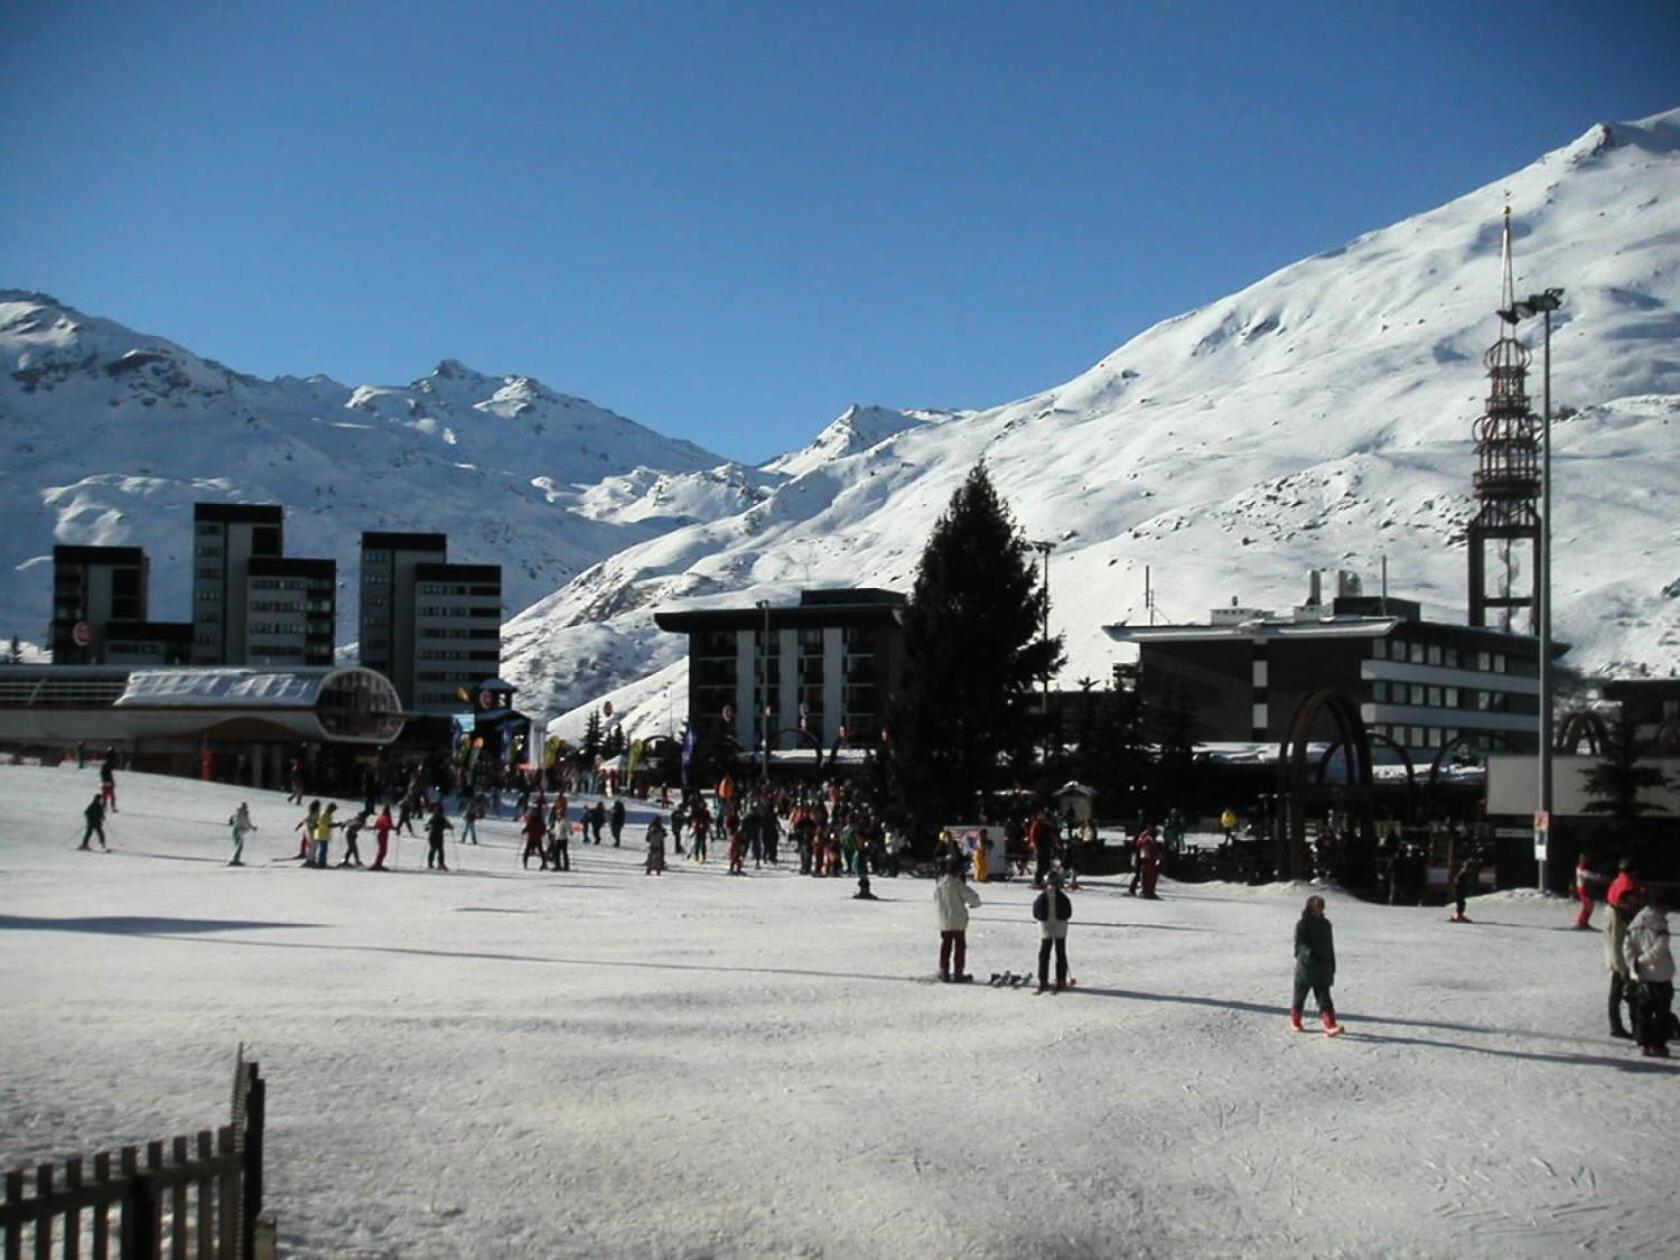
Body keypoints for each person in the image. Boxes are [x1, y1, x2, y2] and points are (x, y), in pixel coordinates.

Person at [1623, 893, 1674, 1058]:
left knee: (1642, 1012)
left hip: (1642, 976)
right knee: (1661, 1012)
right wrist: (1645, 960)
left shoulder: (1635, 923)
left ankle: (1643, 1042)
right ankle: (1658, 1043)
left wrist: (1634, 963)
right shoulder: (1659, 925)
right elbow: (1661, 948)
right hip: (1660, 975)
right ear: (1660, 906)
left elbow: (1627, 946)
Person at [1291, 894, 1343, 1035]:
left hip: (1323, 967)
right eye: (1317, 907)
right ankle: (1295, 1020)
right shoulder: (1302, 925)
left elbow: (1329, 947)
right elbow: (1299, 945)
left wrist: (1332, 965)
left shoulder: (1326, 925)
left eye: (1321, 908)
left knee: (1324, 998)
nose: (1320, 910)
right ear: (1310, 908)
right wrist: (1309, 954)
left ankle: (1330, 1024)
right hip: (1306, 968)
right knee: (1300, 996)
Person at [934, 857, 982, 983]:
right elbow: (974, 899)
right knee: (959, 947)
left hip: (944, 919)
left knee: (945, 946)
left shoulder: (940, 884)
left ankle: (944, 971)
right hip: (959, 920)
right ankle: (958, 972)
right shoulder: (958, 884)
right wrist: (974, 904)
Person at [1603, 874, 1638, 1040]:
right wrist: (1622, 967)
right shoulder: (1617, 916)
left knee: (1618, 995)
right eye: (1631, 901)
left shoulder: (1614, 912)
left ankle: (1620, 1026)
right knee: (1620, 995)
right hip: (1619, 963)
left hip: (1617, 961)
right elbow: (1616, 943)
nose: (1633, 905)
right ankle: (1618, 1026)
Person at [1032, 872, 1074, 994]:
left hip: (1045, 927)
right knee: (1060, 953)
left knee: (1044, 953)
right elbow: (1068, 912)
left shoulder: (1042, 896)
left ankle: (1043, 980)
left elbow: (1036, 912)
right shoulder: (1062, 897)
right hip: (1060, 926)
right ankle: (1061, 979)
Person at [1573, 853, 1601, 929]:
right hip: (1583, 888)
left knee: (1590, 905)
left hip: (1586, 888)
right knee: (1587, 906)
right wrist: (1598, 877)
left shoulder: (1585, 866)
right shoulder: (1580, 867)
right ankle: (1580, 922)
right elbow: (1587, 875)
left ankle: (1584, 922)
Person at [425, 802, 453, 871]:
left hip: (436, 834)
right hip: (436, 835)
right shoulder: (438, 817)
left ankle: (435, 864)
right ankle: (436, 864)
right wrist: (450, 827)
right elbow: (447, 824)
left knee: (437, 849)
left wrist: (427, 827)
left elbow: (428, 824)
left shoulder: (436, 816)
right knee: (436, 849)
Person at [1448, 854, 1476, 923]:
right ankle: (1459, 916)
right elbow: (1457, 879)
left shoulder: (1464, 871)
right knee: (1461, 902)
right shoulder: (1463, 871)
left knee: (1462, 902)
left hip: (1460, 888)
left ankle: (1459, 915)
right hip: (1459, 888)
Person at [227, 802, 256, 867]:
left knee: (240, 846)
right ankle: (235, 860)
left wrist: (252, 827)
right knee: (239, 846)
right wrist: (231, 821)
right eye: (244, 807)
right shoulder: (239, 813)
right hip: (237, 831)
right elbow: (235, 819)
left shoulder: (245, 814)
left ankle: (236, 860)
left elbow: (248, 823)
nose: (245, 808)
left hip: (242, 832)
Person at [311, 803, 338, 869]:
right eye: (333, 809)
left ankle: (322, 862)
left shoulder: (328, 815)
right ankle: (321, 863)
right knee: (323, 849)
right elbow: (322, 825)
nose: (334, 811)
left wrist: (334, 824)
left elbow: (327, 824)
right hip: (321, 834)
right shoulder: (324, 815)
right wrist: (332, 825)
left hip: (324, 834)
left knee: (324, 849)